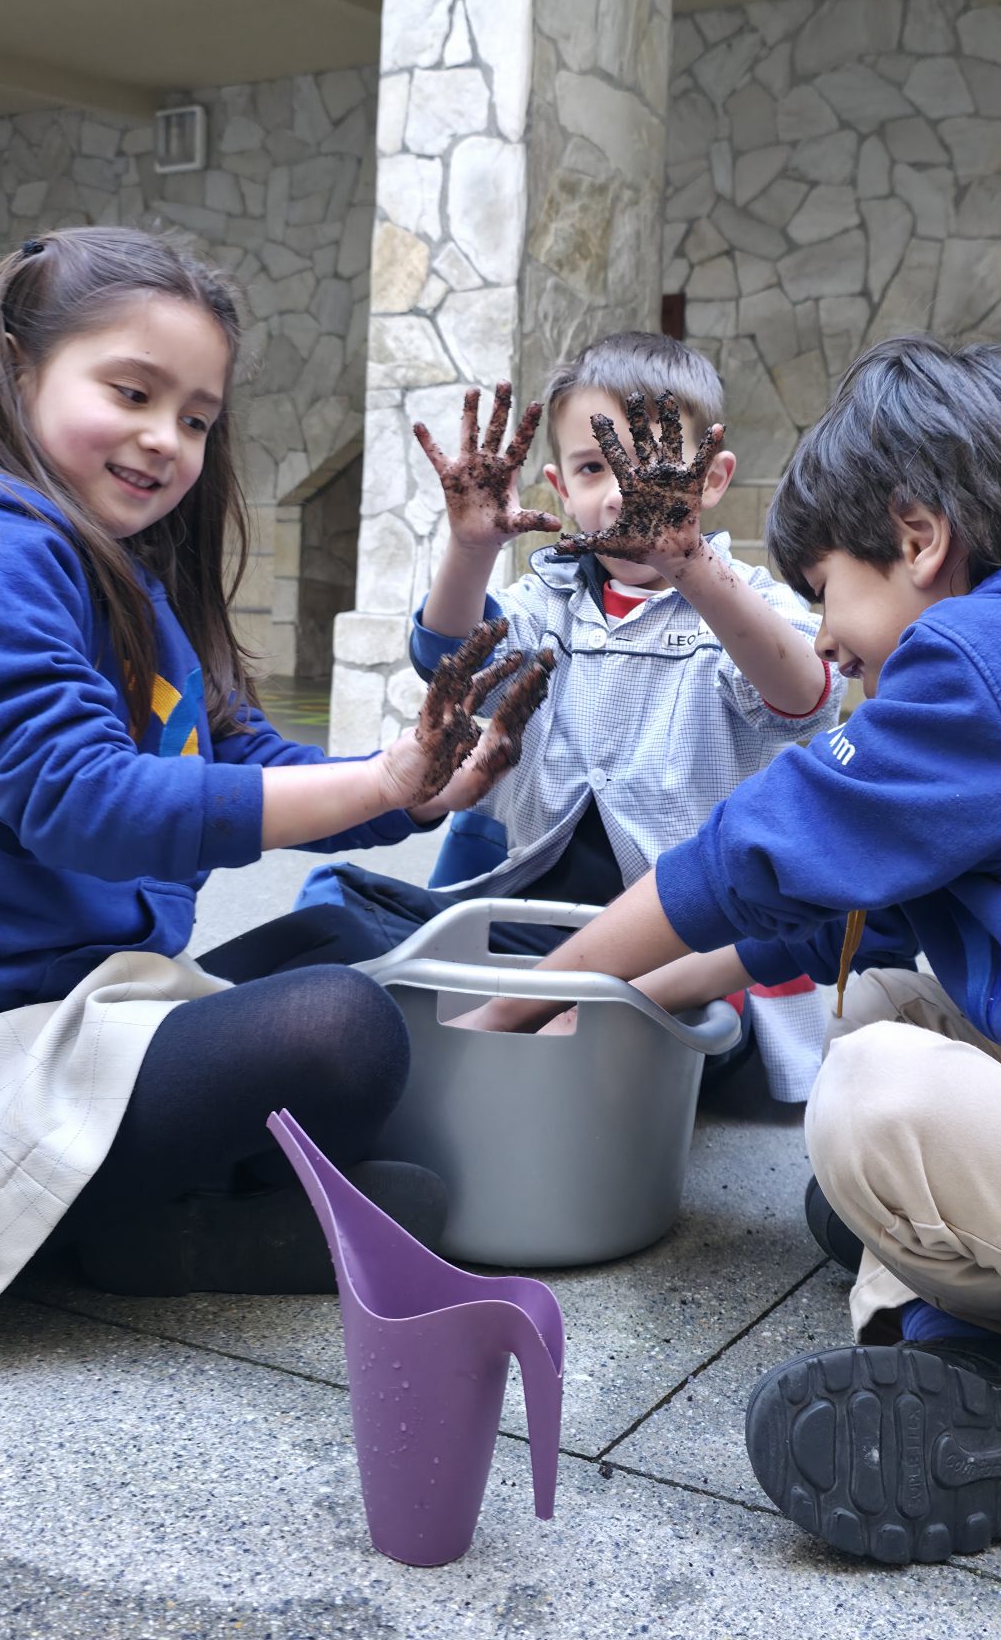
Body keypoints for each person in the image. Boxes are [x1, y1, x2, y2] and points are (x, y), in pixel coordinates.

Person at [469, 335, 1001, 1566]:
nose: (823, 642)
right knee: (884, 1003)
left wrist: (512, 1006)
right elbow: (821, 922)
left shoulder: (985, 662)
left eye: (824, 590)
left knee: (874, 1097)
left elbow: (748, 856)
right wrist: (616, 1002)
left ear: (919, 539)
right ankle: (978, 1314)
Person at [0, 227, 550, 1330]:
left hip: (95, 1002)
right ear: (20, 369)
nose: (164, 439)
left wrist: (410, 786)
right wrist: (381, 782)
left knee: (348, 942)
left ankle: (156, 1218)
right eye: (131, 392)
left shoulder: (130, 572)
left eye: (195, 417)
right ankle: (115, 1225)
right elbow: (81, 800)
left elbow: (245, 756)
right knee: (343, 1026)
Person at [298, 333, 841, 1100]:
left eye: (650, 467)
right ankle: (518, 1027)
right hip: (536, 921)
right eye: (593, 468)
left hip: (681, 949)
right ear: (558, 486)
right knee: (334, 910)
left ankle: (554, 1044)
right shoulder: (547, 599)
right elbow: (451, 656)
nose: (621, 492)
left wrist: (690, 566)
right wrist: (470, 548)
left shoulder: (744, 604)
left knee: (625, 1027)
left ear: (713, 478)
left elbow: (803, 696)